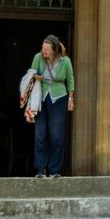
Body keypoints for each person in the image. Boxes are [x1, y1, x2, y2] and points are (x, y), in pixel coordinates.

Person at [22, 34, 74, 178]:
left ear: (54, 50)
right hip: (41, 98)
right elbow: (31, 75)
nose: (43, 52)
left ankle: (54, 170)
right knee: (40, 134)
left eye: (46, 49)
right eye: (42, 48)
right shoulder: (38, 58)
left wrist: (70, 99)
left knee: (56, 135)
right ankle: (40, 170)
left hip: (59, 98)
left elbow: (70, 80)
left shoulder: (65, 61)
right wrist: (37, 77)